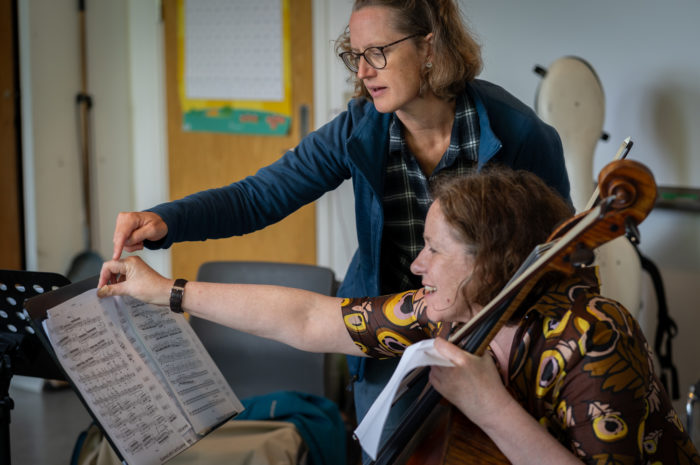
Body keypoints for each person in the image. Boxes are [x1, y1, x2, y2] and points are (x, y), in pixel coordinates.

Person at [109, 0, 570, 441]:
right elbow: (258, 196)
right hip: (389, 332)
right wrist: (165, 220)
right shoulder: (359, 128)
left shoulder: (519, 133)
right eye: (355, 55)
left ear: (429, 48)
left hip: (495, 341)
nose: (364, 71)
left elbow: (561, 261)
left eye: (378, 53)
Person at [98, 168, 699, 464]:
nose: (417, 265)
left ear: (493, 260)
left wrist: (488, 404)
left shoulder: (594, 336)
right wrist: (167, 291)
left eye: (435, 249)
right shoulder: (456, 311)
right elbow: (310, 320)